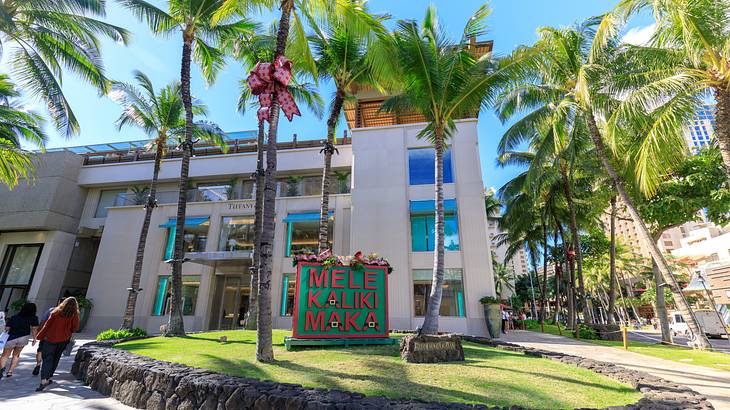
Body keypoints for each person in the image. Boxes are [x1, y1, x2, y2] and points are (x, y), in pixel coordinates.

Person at [34, 297, 80, 391]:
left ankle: (43, 380)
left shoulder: (55, 312)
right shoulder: (74, 315)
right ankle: (49, 377)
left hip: (49, 339)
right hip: (63, 339)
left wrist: (40, 336)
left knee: (47, 359)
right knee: (56, 358)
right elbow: (75, 328)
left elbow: (47, 325)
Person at [0, 302, 39, 378]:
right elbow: (34, 329)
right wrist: (34, 338)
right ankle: (10, 372)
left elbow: (7, 328)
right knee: (16, 355)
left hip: (11, 338)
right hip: (23, 338)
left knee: (5, 355)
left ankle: (1, 370)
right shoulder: (34, 318)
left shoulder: (14, 317)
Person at [32, 303, 56, 376]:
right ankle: (46, 368)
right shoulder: (67, 312)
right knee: (51, 353)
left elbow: (43, 321)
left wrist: (39, 332)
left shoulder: (51, 310)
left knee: (41, 349)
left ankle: (38, 364)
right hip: (56, 335)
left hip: (46, 333)